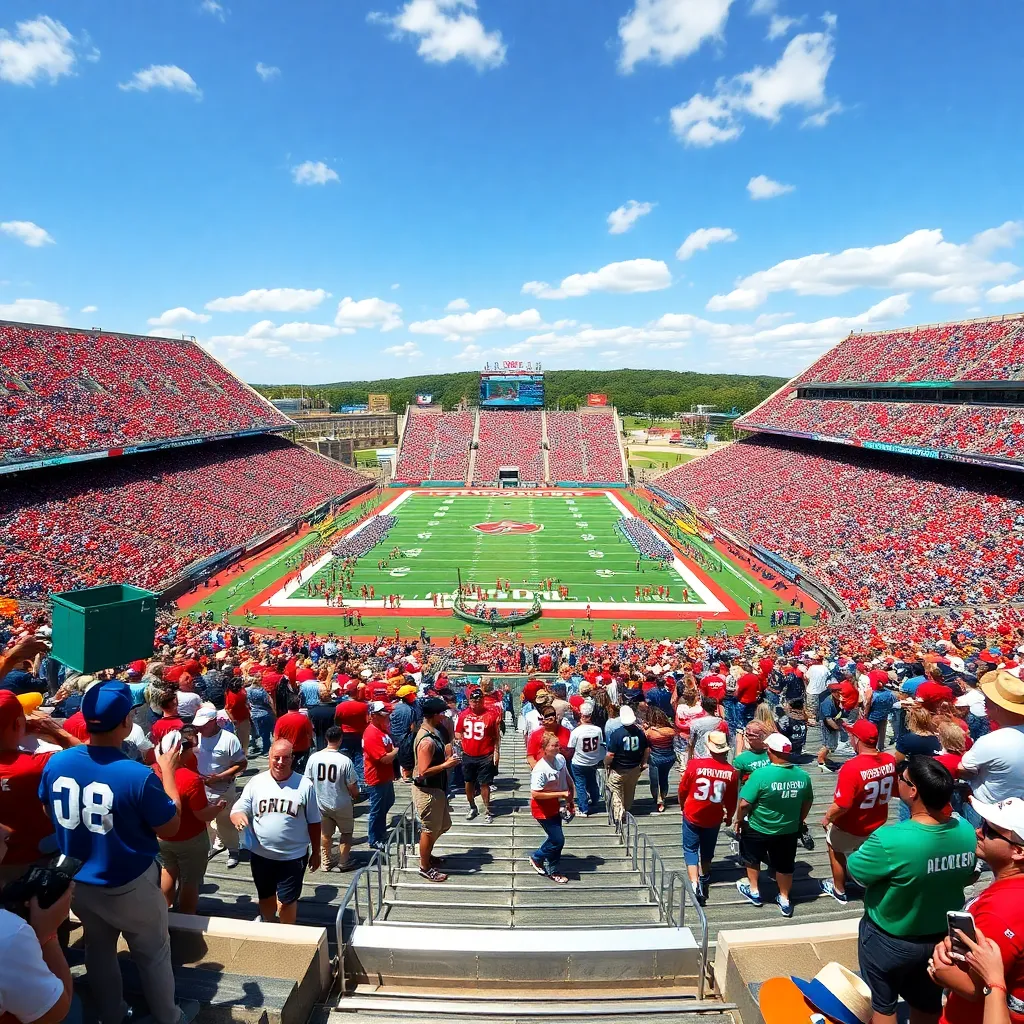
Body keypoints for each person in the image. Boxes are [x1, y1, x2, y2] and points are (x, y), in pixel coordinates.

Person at [38, 679, 198, 1024]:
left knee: (98, 949)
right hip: (128, 882)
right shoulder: (137, 775)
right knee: (153, 955)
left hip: (78, 881)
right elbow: (171, 827)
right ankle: (169, 1017)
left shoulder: (56, 763)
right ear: (126, 721)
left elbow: (49, 814)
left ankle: (111, 1014)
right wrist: (168, 772)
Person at [846, 756, 978, 1024]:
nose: (897, 781)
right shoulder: (965, 830)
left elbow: (857, 871)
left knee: (883, 1006)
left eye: (902, 779)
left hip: (889, 937)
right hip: (940, 939)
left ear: (914, 790)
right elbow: (966, 875)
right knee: (928, 1003)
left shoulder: (890, 839)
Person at [928, 796, 1024, 1024]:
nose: (979, 831)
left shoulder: (1000, 911)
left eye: (989, 830)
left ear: (1018, 852)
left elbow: (975, 988)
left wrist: (939, 970)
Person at [230, 739, 321, 924]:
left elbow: (314, 821)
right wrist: (238, 817)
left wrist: (316, 852)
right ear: (269, 757)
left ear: (292, 759)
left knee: (287, 902)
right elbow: (238, 809)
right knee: (265, 896)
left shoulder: (305, 785)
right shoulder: (256, 782)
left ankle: (286, 935)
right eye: (276, 757)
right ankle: (268, 923)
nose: (280, 762)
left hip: (292, 856)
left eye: (285, 758)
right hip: (261, 855)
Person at [0, 691, 80, 886]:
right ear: (19, 724)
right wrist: (57, 732)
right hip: (36, 864)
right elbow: (88, 756)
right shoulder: (39, 764)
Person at [0, 821, 75, 1024]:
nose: (8, 828)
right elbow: (56, 1011)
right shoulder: (10, 934)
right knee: (76, 1010)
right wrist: (47, 935)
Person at [734, 732, 813, 918]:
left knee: (751, 857)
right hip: (788, 829)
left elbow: (744, 803)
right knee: (785, 865)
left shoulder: (761, 774)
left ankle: (754, 891)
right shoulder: (803, 776)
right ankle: (784, 898)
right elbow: (807, 801)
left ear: (771, 752)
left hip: (758, 826)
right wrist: (799, 820)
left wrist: (738, 820)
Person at [818, 719, 896, 904]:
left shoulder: (851, 767)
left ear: (857, 739)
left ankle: (839, 889)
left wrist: (827, 818)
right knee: (866, 851)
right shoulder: (889, 760)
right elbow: (893, 789)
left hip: (851, 824)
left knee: (834, 848)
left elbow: (842, 804)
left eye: (852, 735)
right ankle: (867, 882)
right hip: (876, 821)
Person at [153, 728, 226, 914]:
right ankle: (187, 918)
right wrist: (218, 807)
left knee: (168, 870)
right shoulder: (191, 778)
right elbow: (202, 814)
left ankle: (163, 912)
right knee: (190, 881)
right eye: (189, 750)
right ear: (180, 752)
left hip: (161, 837)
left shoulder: (152, 772)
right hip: (190, 839)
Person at [677, 730, 738, 906]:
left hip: (692, 812)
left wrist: (682, 805)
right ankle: (705, 875)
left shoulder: (695, 765)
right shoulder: (731, 772)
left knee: (690, 848)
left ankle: (694, 883)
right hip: (714, 816)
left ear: (709, 748)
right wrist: (730, 815)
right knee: (708, 848)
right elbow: (731, 798)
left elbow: (683, 789)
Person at [958, 671, 1024, 827]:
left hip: (989, 811)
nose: (985, 706)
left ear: (998, 708)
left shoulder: (991, 741)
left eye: (987, 702)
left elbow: (962, 769)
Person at [192, 703, 246, 870]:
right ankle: (216, 843)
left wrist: (220, 777)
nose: (200, 728)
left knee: (225, 821)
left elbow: (242, 764)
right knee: (205, 821)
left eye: (203, 725)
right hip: (201, 788)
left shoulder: (229, 739)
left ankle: (233, 850)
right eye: (198, 725)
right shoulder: (196, 738)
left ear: (214, 721)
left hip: (223, 788)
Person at [412, 697, 458, 882]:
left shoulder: (433, 733)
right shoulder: (426, 741)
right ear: (435, 715)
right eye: (442, 713)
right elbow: (423, 771)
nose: (444, 716)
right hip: (427, 791)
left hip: (436, 788)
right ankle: (425, 866)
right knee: (429, 829)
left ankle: (427, 853)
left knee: (443, 825)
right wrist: (447, 764)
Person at [304, 727, 360, 871]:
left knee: (325, 834)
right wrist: (355, 795)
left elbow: (307, 782)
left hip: (321, 803)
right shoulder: (345, 761)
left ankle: (326, 862)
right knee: (346, 833)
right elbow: (352, 785)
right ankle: (343, 861)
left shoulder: (314, 758)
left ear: (326, 739)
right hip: (341, 803)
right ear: (340, 739)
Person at [529, 732, 573, 884]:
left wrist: (570, 800)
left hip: (555, 805)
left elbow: (567, 778)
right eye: (554, 745)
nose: (557, 747)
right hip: (542, 809)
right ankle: (539, 857)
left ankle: (551, 866)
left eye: (558, 744)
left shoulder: (560, 759)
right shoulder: (540, 769)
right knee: (557, 840)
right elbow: (535, 794)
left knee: (556, 839)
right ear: (545, 748)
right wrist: (560, 793)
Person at [456, 687, 501, 823]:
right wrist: (460, 742)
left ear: (483, 701)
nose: (476, 703)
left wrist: (496, 752)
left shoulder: (491, 714)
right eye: (473, 700)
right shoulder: (463, 715)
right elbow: (458, 731)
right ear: (469, 701)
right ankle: (472, 806)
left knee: (484, 783)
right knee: (468, 782)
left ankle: (487, 809)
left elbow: (496, 736)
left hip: (485, 754)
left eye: (479, 700)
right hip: (468, 754)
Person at [362, 701, 398, 853]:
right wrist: (396, 751)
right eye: (384, 716)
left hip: (385, 776)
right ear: (374, 716)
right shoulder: (371, 733)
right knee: (376, 810)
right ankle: (374, 838)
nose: (387, 718)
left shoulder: (381, 730)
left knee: (388, 802)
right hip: (376, 777)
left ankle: (380, 831)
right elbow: (384, 759)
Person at [604, 706, 648, 822]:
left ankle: (619, 814)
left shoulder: (616, 734)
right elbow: (647, 749)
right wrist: (644, 763)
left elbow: (610, 755)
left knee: (615, 790)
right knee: (630, 789)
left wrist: (606, 764)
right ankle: (627, 809)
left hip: (618, 769)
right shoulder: (640, 733)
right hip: (634, 768)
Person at [567, 700, 605, 817]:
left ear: (581, 715)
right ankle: (595, 799)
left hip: (579, 762)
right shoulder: (598, 730)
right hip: (593, 760)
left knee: (580, 784)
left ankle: (583, 808)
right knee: (592, 781)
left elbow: (571, 748)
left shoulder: (576, 731)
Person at [642, 707, 677, 813]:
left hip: (655, 759)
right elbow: (672, 734)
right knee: (664, 778)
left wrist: (645, 729)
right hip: (669, 758)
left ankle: (657, 800)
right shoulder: (671, 730)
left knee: (654, 781)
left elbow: (645, 740)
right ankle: (662, 798)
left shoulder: (649, 732)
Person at [273, 697, 314, 773]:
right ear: (298, 705)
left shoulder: (281, 720)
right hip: (302, 748)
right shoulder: (304, 719)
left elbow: (276, 737)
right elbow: (310, 734)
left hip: (286, 749)